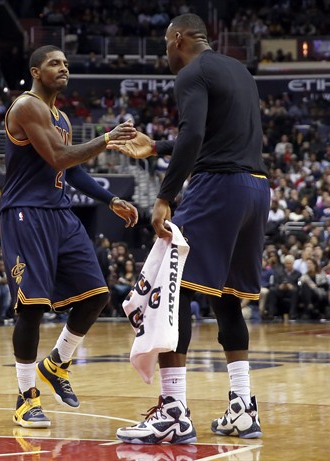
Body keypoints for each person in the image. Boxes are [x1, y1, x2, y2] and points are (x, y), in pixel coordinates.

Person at [108, 14, 269, 443]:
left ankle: (173, 410)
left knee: (171, 291)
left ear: (178, 38)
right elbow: (220, 135)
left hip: (218, 187)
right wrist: (160, 147)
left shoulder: (192, 72)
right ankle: (242, 408)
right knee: (228, 299)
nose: (165, 52)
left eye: (165, 43)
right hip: (256, 190)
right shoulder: (241, 72)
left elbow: (195, 132)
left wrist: (164, 196)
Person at [0, 44, 139, 429]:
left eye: (66, 63)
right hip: (26, 213)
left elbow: (71, 169)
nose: (64, 68)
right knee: (31, 307)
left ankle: (57, 362)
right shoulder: (27, 106)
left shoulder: (61, 116)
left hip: (60, 213)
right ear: (35, 71)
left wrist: (109, 199)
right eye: (54, 64)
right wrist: (107, 139)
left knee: (97, 296)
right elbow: (60, 158)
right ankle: (26, 398)